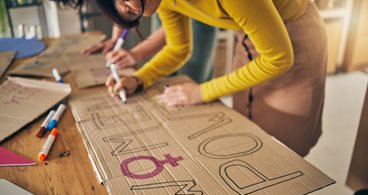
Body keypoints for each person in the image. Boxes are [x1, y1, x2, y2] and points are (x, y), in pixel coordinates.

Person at [56, 0, 327, 158]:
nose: (123, 5)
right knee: (252, 136)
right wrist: (139, 79)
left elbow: (278, 57)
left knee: (281, 153)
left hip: (295, 39)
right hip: (249, 40)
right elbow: (178, 48)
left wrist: (202, 92)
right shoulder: (158, 1)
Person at [81, 18, 217, 83]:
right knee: (164, 74)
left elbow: (176, 30)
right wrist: (115, 39)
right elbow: (121, 9)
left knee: (191, 80)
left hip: (197, 14)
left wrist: (135, 54)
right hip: (164, 7)